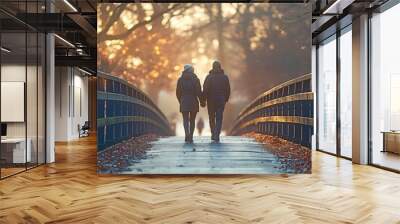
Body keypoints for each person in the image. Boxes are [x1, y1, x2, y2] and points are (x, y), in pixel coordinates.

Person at [202, 61, 230, 142]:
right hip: (221, 100)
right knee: (219, 118)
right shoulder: (225, 77)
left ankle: (213, 133)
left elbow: (205, 89)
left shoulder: (209, 77)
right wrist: (226, 99)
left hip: (211, 101)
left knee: (211, 118)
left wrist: (203, 100)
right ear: (220, 67)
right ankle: (216, 134)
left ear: (213, 67)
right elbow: (228, 89)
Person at [176, 64, 202, 143]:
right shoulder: (195, 79)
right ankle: (190, 136)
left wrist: (181, 100)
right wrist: (202, 101)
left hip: (184, 100)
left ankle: (186, 134)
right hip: (193, 101)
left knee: (185, 119)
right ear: (191, 70)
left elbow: (178, 92)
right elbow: (198, 92)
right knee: (192, 120)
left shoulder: (180, 80)